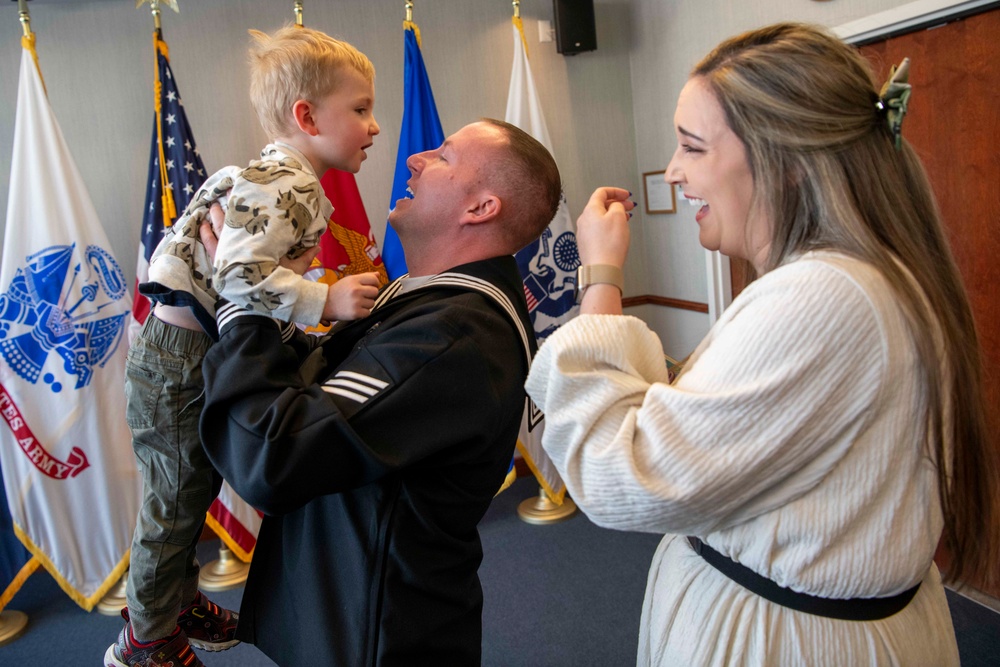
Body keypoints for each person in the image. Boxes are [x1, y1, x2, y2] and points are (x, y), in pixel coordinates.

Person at [524, 22, 998, 666]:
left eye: (693, 147)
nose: (672, 172)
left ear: (789, 162)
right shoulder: (853, 279)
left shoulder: (821, 296)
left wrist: (600, 277)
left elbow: (616, 476)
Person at [196, 118, 562, 666]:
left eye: (444, 156)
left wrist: (244, 306)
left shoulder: (454, 332)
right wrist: (271, 299)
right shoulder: (431, 304)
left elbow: (273, 455)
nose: (416, 159)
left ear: (481, 208)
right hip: (350, 611)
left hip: (376, 637)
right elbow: (323, 392)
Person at [106, 26, 382, 667]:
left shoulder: (276, 177)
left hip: (187, 350)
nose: (373, 127)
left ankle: (172, 605)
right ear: (307, 116)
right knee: (174, 504)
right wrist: (327, 301)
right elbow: (235, 276)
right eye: (361, 109)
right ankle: (145, 643)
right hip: (176, 359)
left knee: (190, 492)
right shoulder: (289, 181)